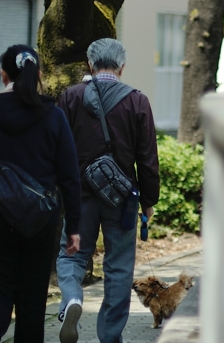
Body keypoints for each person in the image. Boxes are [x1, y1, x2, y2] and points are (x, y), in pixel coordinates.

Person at [0, 45, 83, 343]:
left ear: (3, 74)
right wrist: (74, 228)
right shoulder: (53, 118)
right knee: (32, 295)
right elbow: (69, 176)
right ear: (38, 75)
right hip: (40, 221)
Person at [55, 38, 160, 343]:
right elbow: (147, 157)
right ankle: (110, 336)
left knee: (72, 256)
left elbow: (57, 150)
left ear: (90, 64)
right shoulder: (137, 100)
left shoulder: (70, 97)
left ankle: (73, 298)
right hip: (122, 199)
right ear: (122, 66)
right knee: (118, 266)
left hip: (79, 197)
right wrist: (149, 200)